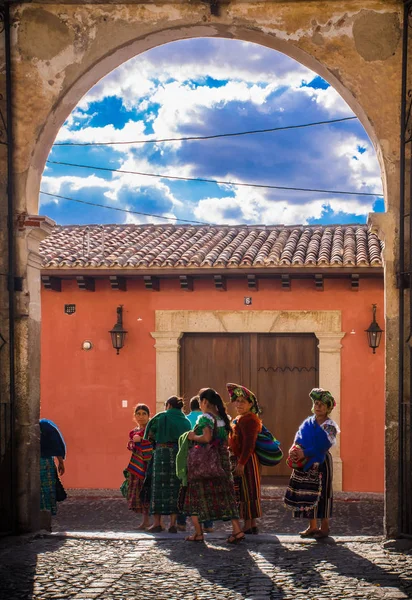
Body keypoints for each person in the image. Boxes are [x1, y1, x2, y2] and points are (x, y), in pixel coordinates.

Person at [180, 387, 244, 544]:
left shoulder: (205, 418)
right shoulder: (224, 418)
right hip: (222, 461)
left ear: (205, 402)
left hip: (205, 462)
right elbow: (227, 442)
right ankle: (237, 530)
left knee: (195, 495)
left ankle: (198, 533)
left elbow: (207, 438)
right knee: (226, 495)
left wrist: (193, 436)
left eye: (200, 401)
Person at [285, 388, 339, 539]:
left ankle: (325, 526)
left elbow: (324, 445)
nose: (318, 406)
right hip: (306, 463)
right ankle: (312, 526)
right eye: (316, 403)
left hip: (321, 462)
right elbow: (299, 437)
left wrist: (306, 453)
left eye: (322, 404)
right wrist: (294, 449)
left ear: (329, 408)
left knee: (323, 493)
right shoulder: (308, 422)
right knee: (309, 493)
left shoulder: (330, 426)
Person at [144, 396, 191, 532]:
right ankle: (172, 524)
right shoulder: (186, 421)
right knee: (175, 488)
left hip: (161, 454)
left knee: (157, 487)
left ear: (169, 405)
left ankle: (157, 523)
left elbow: (149, 435)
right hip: (179, 455)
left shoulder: (160, 417)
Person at [227, 383, 262, 535]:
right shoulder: (240, 419)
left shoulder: (249, 420)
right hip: (242, 459)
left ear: (250, 404)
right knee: (245, 490)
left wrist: (241, 462)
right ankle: (251, 524)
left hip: (247, 460)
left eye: (243, 401)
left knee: (249, 491)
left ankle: (249, 525)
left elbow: (249, 443)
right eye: (237, 401)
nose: (239, 403)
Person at [126, 403, 153, 529]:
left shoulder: (151, 430)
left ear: (149, 416)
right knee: (141, 492)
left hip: (149, 465)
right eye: (138, 414)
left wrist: (141, 441)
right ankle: (145, 521)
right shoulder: (134, 432)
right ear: (134, 416)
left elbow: (151, 444)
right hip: (138, 466)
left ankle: (159, 522)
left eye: (144, 414)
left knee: (150, 491)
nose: (141, 417)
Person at [39, 419, 66, 518]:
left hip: (38, 463)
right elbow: (56, 443)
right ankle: (47, 512)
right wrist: (61, 462)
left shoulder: (43, 427)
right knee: (47, 489)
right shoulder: (46, 426)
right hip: (46, 464)